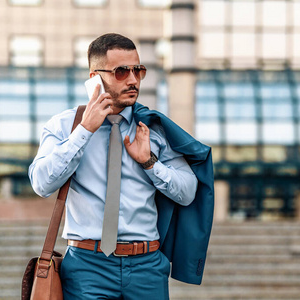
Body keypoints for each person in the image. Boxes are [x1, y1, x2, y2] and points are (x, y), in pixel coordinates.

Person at [28, 33, 214, 300]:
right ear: (95, 77)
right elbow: (41, 183)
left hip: (147, 266)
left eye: (138, 70)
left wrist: (150, 163)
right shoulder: (65, 125)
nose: (132, 80)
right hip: (86, 268)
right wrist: (84, 131)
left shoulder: (155, 129)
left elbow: (187, 192)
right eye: (121, 72)